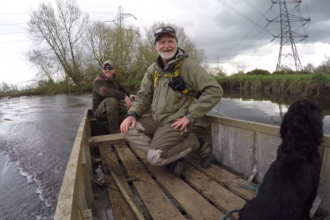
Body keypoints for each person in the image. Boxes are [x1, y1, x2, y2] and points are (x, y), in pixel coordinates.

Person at [120, 26, 223, 176]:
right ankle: (172, 157)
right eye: (162, 42)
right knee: (126, 129)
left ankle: (197, 143)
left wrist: (190, 116)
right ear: (156, 47)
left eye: (170, 41)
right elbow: (143, 96)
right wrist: (132, 114)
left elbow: (215, 90)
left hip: (177, 121)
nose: (166, 45)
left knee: (154, 158)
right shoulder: (152, 70)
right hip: (156, 119)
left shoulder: (188, 66)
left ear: (176, 43)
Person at [93, 60, 135, 133]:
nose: (108, 70)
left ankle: (120, 123)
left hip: (114, 109)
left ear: (114, 70)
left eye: (110, 68)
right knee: (111, 100)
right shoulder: (98, 81)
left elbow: (122, 89)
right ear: (102, 70)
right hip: (100, 112)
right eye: (105, 68)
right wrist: (124, 96)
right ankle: (114, 130)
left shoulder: (114, 80)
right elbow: (104, 91)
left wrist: (130, 95)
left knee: (133, 109)